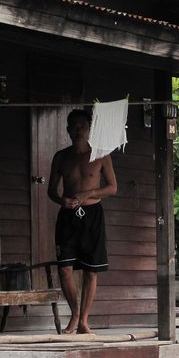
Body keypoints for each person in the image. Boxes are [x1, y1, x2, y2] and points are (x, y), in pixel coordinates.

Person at [47, 109, 118, 334]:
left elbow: (112, 188)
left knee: (91, 269)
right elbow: (51, 190)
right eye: (74, 127)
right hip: (67, 216)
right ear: (68, 130)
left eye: (83, 126)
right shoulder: (61, 157)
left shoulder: (101, 155)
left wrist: (88, 194)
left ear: (90, 130)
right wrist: (61, 200)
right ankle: (74, 315)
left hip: (92, 214)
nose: (79, 131)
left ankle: (84, 321)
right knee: (65, 269)